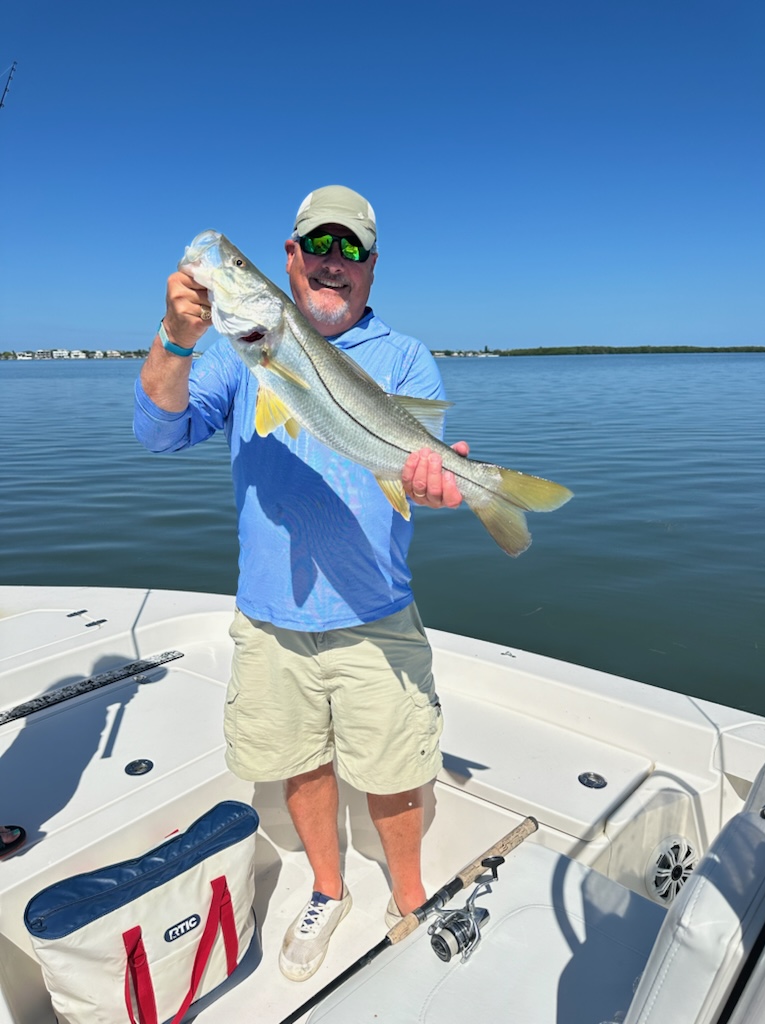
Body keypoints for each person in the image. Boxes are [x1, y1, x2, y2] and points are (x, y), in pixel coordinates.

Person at [133, 185, 468, 981]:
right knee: (300, 765)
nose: (334, 263)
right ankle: (327, 887)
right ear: (289, 259)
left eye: (352, 251)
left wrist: (433, 481)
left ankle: (411, 892)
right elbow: (158, 429)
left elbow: (414, 463)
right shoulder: (237, 349)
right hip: (271, 618)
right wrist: (177, 337)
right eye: (320, 246)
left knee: (392, 772)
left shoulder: (405, 358)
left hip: (375, 613)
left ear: (373, 268)